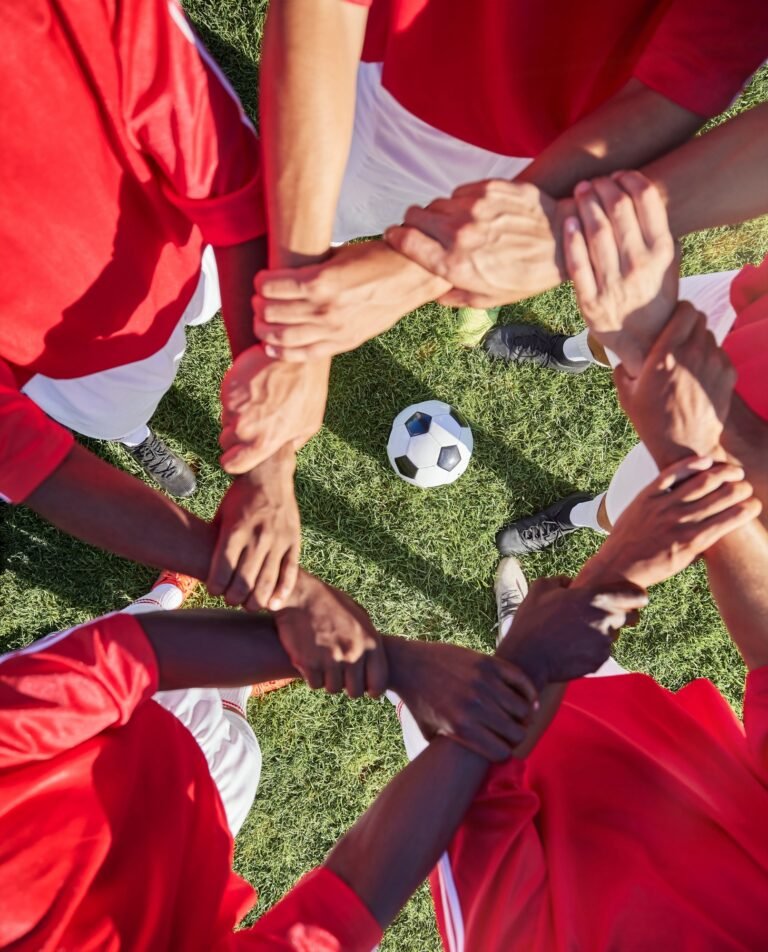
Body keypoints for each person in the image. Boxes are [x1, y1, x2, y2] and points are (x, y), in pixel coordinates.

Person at [0, 549, 657, 949]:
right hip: (203, 803)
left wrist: (394, 663)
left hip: (99, 727)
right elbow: (336, 912)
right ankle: (239, 688)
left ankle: (166, 592)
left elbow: (120, 658)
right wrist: (508, 678)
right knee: (233, 738)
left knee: (140, 630)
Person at [226, 0, 768, 476]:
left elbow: (692, 69)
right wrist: (299, 339)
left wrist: (429, 268)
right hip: (392, 82)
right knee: (293, 219)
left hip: (570, 140)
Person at [393, 317, 768, 951]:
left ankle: (514, 624)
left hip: (480, 746)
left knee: (420, 683)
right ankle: (539, 592)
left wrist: (551, 633)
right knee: (583, 650)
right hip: (629, 716)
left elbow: (452, 810)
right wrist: (689, 460)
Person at [0, 0, 304, 612]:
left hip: (186, 244)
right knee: (119, 412)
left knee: (207, 304)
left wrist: (268, 458)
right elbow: (21, 453)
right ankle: (137, 435)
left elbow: (230, 179)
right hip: (79, 357)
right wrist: (218, 557)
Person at [492, 118, 768, 553]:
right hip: (749, 305)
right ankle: (571, 352)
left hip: (729, 457)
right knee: (617, 325)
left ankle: (577, 515)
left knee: (622, 511)